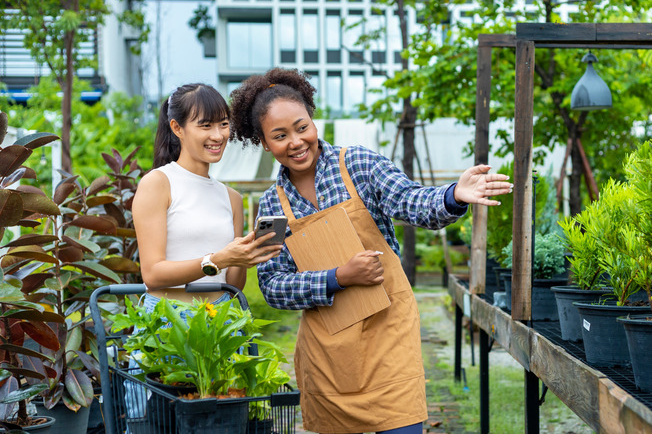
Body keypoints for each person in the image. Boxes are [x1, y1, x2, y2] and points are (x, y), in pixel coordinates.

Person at [229, 68, 511, 434]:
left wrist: (453, 194)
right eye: (280, 136)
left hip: (388, 334)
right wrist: (337, 278)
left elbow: (411, 200)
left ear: (314, 121)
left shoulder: (358, 164)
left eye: (302, 128)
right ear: (265, 143)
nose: (296, 142)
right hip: (329, 354)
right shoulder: (271, 207)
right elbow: (272, 285)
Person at [133, 82, 283, 309]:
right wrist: (217, 259)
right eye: (205, 125)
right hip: (168, 321)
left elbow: (233, 285)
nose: (218, 135)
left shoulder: (231, 197)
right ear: (177, 128)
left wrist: (241, 256)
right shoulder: (158, 183)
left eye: (223, 124)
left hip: (221, 318)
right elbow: (152, 274)